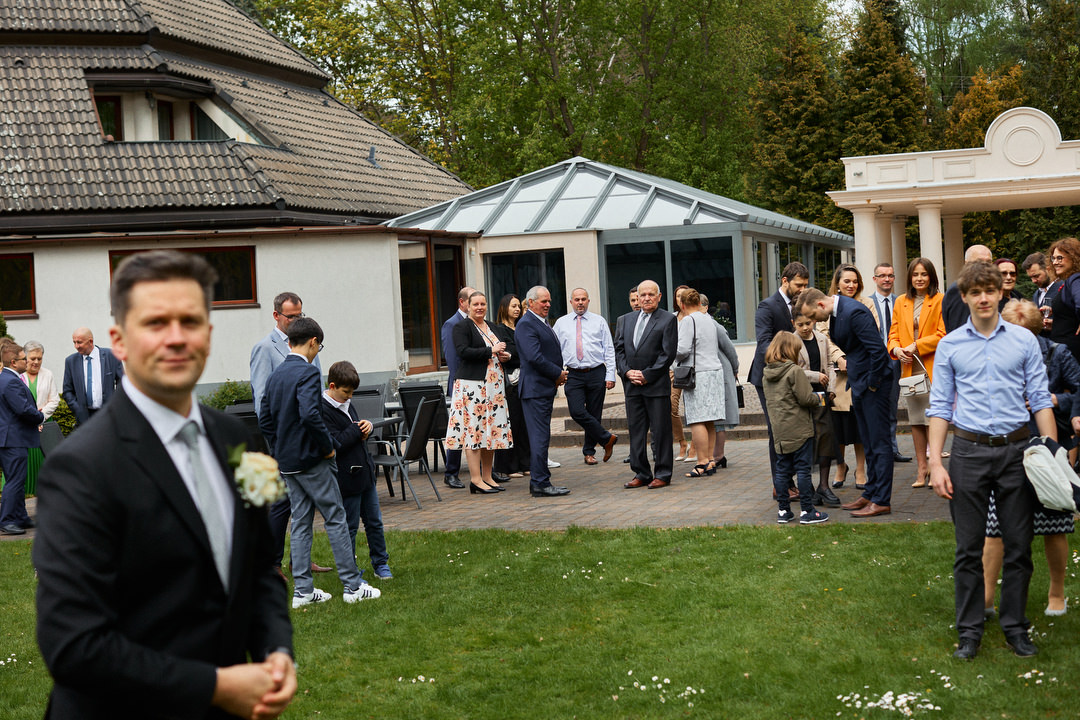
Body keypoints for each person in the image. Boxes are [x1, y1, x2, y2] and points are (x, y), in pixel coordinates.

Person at [34, 250, 296, 718]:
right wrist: (215, 686)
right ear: (119, 341)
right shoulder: (79, 468)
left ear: (208, 335)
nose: (176, 338)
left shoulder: (235, 440)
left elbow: (259, 568)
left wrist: (277, 650)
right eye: (155, 323)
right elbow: (74, 646)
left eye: (190, 322)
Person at [927, 261, 1054, 660]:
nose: (983, 298)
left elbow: (1040, 398)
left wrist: (1051, 453)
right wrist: (935, 463)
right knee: (968, 548)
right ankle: (969, 633)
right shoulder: (950, 345)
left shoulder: (1023, 341)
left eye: (989, 290)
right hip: (968, 453)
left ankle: (1016, 627)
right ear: (964, 297)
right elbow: (940, 406)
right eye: (975, 292)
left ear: (1001, 293)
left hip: (1017, 453)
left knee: (1019, 546)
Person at [259, 317, 380, 607]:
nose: (317, 352)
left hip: (287, 462)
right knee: (336, 518)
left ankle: (303, 591)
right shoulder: (308, 372)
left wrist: (280, 449)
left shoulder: (276, 375)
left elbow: (264, 419)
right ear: (313, 342)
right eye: (319, 346)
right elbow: (310, 415)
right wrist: (327, 448)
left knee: (300, 522)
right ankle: (352, 586)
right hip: (312, 460)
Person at [982, 299, 1077, 619]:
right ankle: (985, 599)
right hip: (1004, 449)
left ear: (1036, 332)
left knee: (1054, 525)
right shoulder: (993, 355)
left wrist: (1056, 400)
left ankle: (1056, 594)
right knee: (995, 528)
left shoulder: (1057, 354)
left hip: (1047, 450)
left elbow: (1078, 391)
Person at [797, 283, 895, 518]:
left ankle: (881, 500)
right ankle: (871, 493)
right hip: (860, 385)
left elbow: (877, 351)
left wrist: (871, 383)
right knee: (869, 442)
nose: (814, 322)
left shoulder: (854, 312)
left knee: (879, 443)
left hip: (873, 387)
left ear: (821, 304)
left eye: (813, 316)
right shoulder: (837, 313)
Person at [249, 292, 329, 577]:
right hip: (283, 443)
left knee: (305, 504)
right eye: (291, 316)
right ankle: (272, 564)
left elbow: (316, 394)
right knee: (283, 503)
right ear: (276, 316)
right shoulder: (265, 349)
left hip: (308, 442)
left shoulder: (309, 343)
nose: (296, 321)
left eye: (300, 315)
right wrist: (277, 442)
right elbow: (262, 402)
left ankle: (300, 561)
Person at [320, 360, 392, 580]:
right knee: (349, 527)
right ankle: (350, 571)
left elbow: (355, 432)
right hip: (346, 478)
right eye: (346, 392)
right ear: (332, 386)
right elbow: (335, 443)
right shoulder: (322, 410)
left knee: (374, 522)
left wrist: (366, 427)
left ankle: (381, 563)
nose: (350, 397)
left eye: (352, 393)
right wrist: (357, 430)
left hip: (364, 473)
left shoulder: (346, 403)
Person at [749, 262, 810, 492]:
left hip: (795, 376)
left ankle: (796, 480)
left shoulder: (802, 303)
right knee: (778, 430)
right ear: (785, 281)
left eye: (805, 285)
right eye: (798, 285)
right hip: (770, 378)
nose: (802, 289)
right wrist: (787, 362)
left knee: (795, 428)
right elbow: (764, 342)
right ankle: (781, 485)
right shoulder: (767, 306)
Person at [445, 291, 513, 494]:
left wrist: (505, 356)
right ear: (467, 305)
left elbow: (501, 350)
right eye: (475, 304)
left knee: (490, 432)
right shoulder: (461, 327)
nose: (480, 307)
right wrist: (491, 351)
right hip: (472, 387)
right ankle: (475, 479)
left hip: (494, 388)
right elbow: (463, 352)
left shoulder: (492, 326)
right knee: (474, 432)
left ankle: (487, 477)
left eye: (483, 303)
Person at [887, 258, 946, 489]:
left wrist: (916, 345)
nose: (919, 278)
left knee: (932, 419)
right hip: (910, 368)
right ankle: (921, 469)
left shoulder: (940, 300)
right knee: (915, 420)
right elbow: (893, 334)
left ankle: (934, 465)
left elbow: (943, 334)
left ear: (931, 277)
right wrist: (896, 349)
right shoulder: (901, 301)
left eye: (924, 274)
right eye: (915, 274)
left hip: (932, 367)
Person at [614, 279, 679, 489]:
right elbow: (619, 351)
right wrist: (626, 372)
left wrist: (647, 374)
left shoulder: (668, 320)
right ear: (637, 297)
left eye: (651, 294)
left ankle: (663, 473)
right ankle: (641, 473)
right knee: (636, 432)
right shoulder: (624, 320)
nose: (647, 298)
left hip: (656, 386)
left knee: (661, 432)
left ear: (659, 297)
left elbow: (667, 354)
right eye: (643, 295)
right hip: (632, 386)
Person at [762, 331, 830, 525]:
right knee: (802, 470)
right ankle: (807, 510)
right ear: (790, 350)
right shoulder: (794, 371)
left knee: (782, 470)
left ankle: (783, 510)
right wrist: (821, 398)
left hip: (779, 430)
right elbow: (806, 398)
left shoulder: (766, 374)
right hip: (799, 429)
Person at [516, 286, 571, 497]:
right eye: (543, 301)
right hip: (535, 390)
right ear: (530, 302)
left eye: (549, 301)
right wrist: (557, 373)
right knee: (539, 437)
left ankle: (541, 480)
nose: (548, 305)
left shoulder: (540, 322)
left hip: (543, 388)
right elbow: (534, 357)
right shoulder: (526, 324)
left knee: (542, 436)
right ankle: (540, 483)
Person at [552, 288, 618, 465]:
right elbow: (555, 350)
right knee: (576, 411)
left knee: (595, 414)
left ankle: (589, 452)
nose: (580, 302)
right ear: (571, 302)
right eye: (577, 299)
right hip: (573, 373)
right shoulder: (561, 323)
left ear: (588, 301)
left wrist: (610, 375)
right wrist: (557, 373)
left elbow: (609, 349)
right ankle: (607, 438)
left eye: (583, 299)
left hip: (596, 372)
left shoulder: (599, 321)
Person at [821, 264, 871, 490]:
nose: (851, 285)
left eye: (855, 281)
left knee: (859, 426)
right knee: (837, 428)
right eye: (846, 281)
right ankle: (841, 466)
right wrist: (839, 357)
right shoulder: (827, 304)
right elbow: (823, 335)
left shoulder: (866, 304)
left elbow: (872, 333)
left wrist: (855, 360)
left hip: (859, 373)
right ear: (838, 284)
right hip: (836, 375)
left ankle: (861, 469)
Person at [792, 312, 841, 507]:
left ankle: (824, 485)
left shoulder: (821, 338)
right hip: (802, 395)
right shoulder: (791, 341)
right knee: (806, 439)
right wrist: (815, 376)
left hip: (821, 393)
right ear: (793, 323)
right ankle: (807, 487)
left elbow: (829, 364)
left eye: (808, 323)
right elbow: (792, 369)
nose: (805, 328)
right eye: (800, 324)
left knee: (825, 435)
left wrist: (831, 388)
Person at [675, 288, 725, 477]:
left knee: (696, 418)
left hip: (698, 374)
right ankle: (710, 459)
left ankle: (701, 462)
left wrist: (670, 352)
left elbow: (682, 350)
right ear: (698, 302)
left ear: (682, 304)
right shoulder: (709, 319)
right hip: (714, 371)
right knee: (710, 419)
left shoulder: (688, 320)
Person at [0, 340, 43, 535]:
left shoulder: (5, 378)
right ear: (13, 362)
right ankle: (8, 520)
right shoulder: (10, 381)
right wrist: (39, 416)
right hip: (13, 439)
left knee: (15, 479)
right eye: (23, 359)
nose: (27, 361)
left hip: (9, 438)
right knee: (15, 481)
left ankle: (20, 516)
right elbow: (23, 409)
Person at [867, 262, 909, 463]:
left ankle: (892, 449)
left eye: (890, 275)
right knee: (874, 408)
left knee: (892, 407)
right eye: (882, 275)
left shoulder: (902, 303)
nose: (887, 279)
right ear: (874, 279)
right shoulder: (866, 304)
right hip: (874, 363)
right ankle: (878, 450)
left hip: (896, 361)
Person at [439, 286, 476, 489]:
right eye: (472, 300)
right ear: (462, 302)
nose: (476, 304)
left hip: (478, 384)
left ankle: (484, 471)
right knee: (458, 429)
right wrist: (460, 384)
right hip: (461, 384)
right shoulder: (451, 324)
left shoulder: (476, 323)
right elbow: (452, 359)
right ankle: (451, 472)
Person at [491, 293, 530, 479]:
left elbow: (527, 351)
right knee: (511, 423)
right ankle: (509, 466)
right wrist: (516, 355)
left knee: (525, 424)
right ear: (504, 308)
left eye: (518, 306)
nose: (517, 309)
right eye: (513, 306)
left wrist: (515, 354)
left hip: (526, 381)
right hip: (509, 384)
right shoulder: (499, 330)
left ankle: (526, 464)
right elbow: (509, 353)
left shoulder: (522, 327)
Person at [700, 293, 740, 468]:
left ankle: (718, 455)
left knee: (719, 420)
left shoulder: (715, 326)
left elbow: (730, 350)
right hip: (706, 377)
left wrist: (735, 369)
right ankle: (712, 455)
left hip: (721, 374)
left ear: (705, 307)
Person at [19, 340, 60, 496]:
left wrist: (40, 417)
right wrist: (30, 419)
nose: (36, 362)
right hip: (23, 427)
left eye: (39, 358)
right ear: (25, 358)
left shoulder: (47, 374)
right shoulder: (18, 375)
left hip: (43, 425)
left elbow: (54, 400)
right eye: (33, 358)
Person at [61, 327, 124, 426]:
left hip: (108, 415)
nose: (76, 346)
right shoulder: (71, 361)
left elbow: (122, 384)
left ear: (90, 341)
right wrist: (78, 409)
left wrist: (115, 405)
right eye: (74, 342)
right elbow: (67, 390)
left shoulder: (111, 356)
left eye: (79, 342)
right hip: (84, 418)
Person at [942, 244, 994, 332]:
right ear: (967, 264)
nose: (985, 266)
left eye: (988, 262)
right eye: (979, 262)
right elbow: (960, 330)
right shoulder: (959, 290)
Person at [1048, 237, 1080, 363]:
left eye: (1060, 258)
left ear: (1074, 257)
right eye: (1053, 258)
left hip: (1071, 355)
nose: (1055, 262)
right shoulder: (1070, 281)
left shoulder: (1075, 279)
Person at [671, 285, 692, 462]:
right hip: (673, 369)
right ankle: (682, 442)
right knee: (671, 406)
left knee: (695, 408)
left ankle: (696, 446)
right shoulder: (670, 319)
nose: (681, 298)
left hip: (693, 369)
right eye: (678, 296)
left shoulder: (696, 317)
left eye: (684, 295)